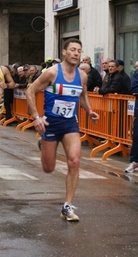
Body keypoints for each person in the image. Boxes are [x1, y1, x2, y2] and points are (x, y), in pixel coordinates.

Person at [25, 38, 99, 222]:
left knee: (74, 162)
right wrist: (36, 117)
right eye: (72, 50)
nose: (76, 53)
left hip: (69, 124)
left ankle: (67, 206)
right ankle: (44, 143)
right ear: (64, 52)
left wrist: (89, 110)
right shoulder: (51, 73)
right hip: (50, 123)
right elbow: (30, 91)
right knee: (48, 168)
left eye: (79, 51)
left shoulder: (82, 76)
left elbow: (83, 95)